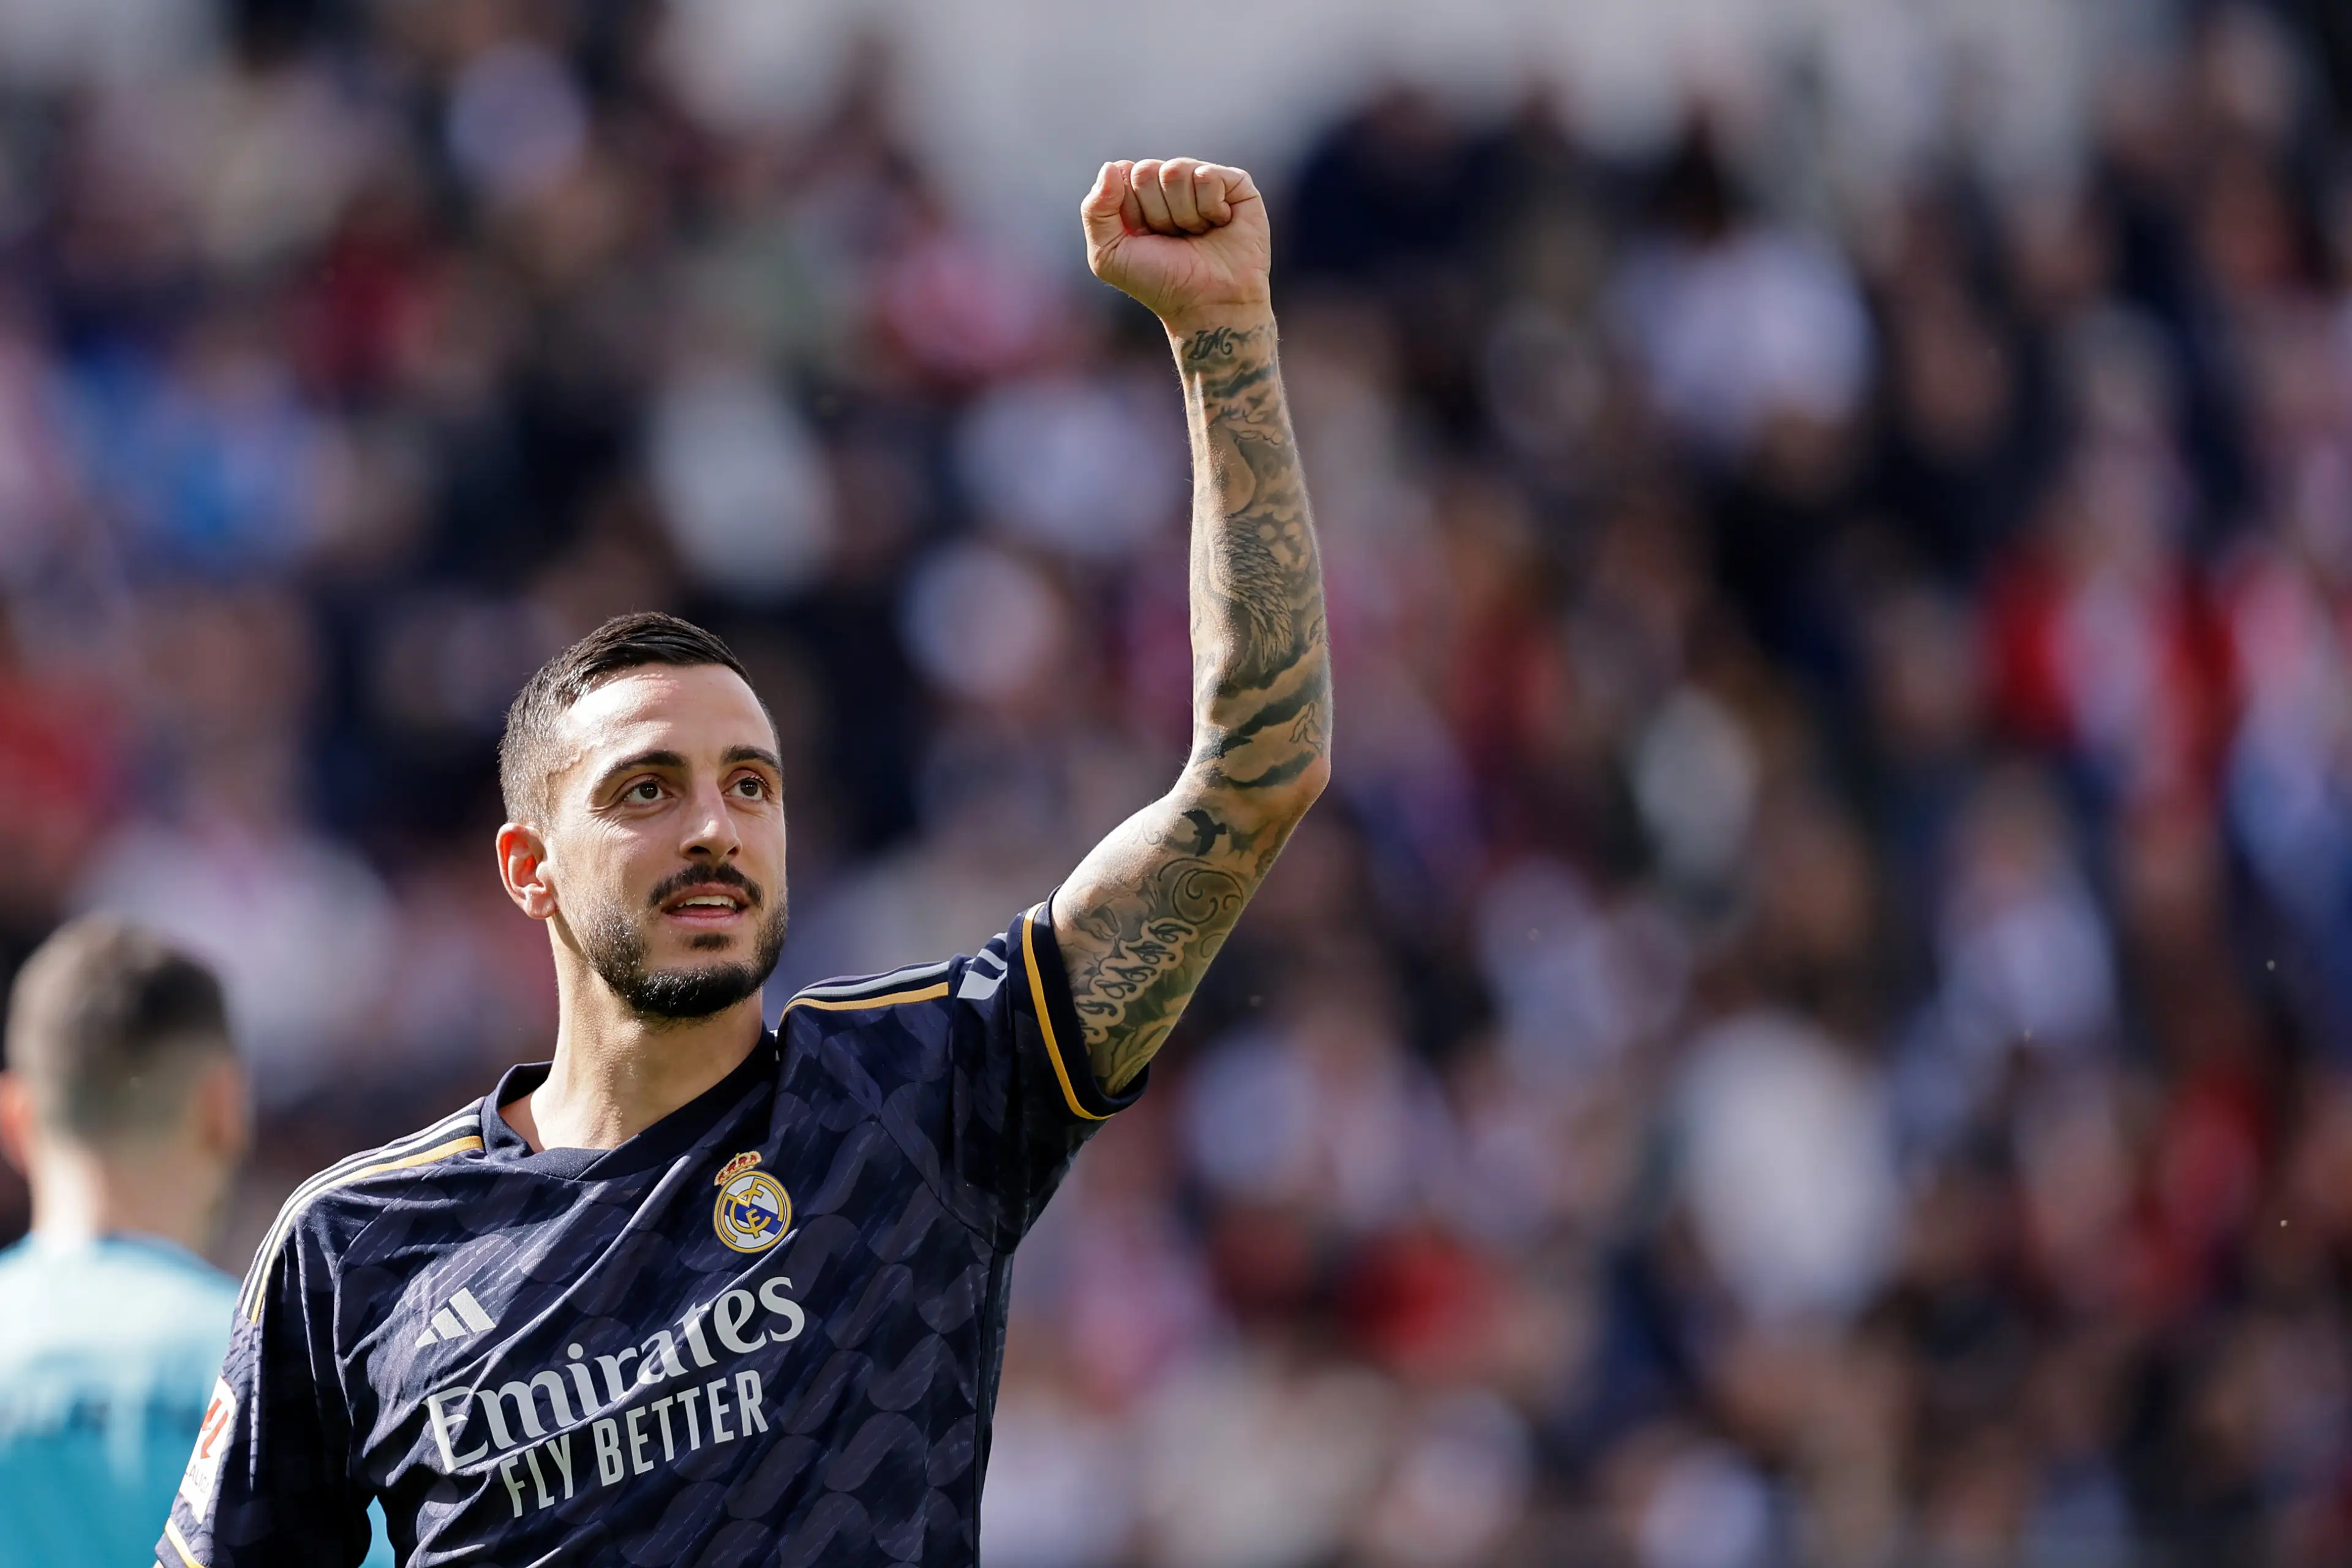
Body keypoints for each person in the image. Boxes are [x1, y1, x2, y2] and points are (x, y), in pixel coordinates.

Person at [159, 155, 1329, 1567]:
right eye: (647, 788)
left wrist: (1222, 344)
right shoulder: (357, 1246)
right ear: (529, 865)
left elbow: (1258, 769)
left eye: (750, 785)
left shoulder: (922, 1097)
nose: (713, 825)